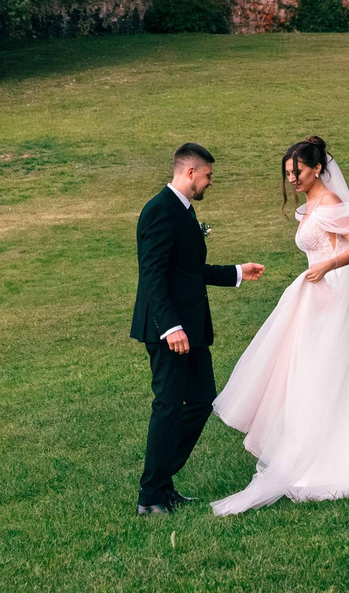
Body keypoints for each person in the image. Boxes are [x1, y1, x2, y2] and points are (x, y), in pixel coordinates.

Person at [208, 135, 349, 514]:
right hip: (314, 295)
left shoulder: (330, 205)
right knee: (306, 374)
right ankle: (313, 453)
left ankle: (344, 460)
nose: (292, 179)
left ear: (317, 169)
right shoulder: (309, 205)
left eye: (297, 172)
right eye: (288, 173)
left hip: (333, 295)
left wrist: (327, 265)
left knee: (328, 371)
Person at [131, 143, 264, 515]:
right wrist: (170, 326)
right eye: (208, 175)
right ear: (190, 173)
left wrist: (237, 272)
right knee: (169, 407)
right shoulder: (159, 210)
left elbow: (188, 272)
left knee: (203, 399)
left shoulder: (183, 211)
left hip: (191, 330)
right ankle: (151, 495)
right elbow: (153, 274)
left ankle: (160, 480)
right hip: (170, 330)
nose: (210, 183)